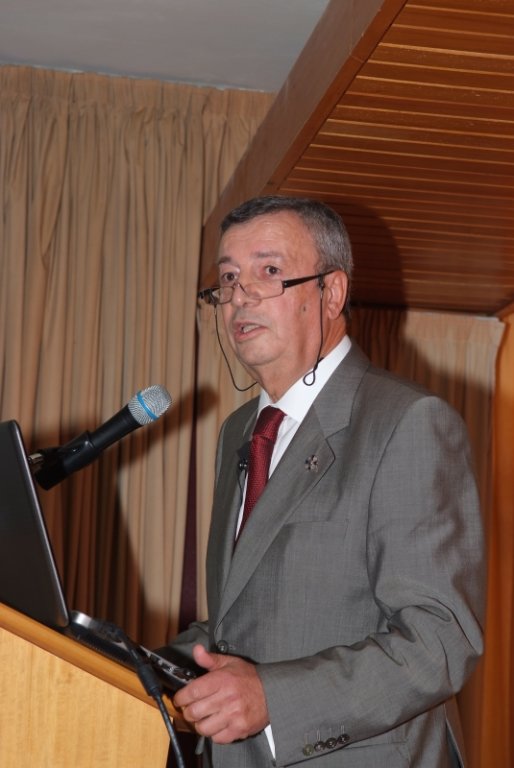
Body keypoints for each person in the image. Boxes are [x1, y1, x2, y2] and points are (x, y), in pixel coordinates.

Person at [171, 195, 485, 768]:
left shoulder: (406, 422)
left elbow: (441, 640)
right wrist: (143, 662)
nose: (240, 296)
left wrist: (274, 699)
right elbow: (247, 617)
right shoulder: (240, 431)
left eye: (268, 271)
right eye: (228, 278)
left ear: (332, 293)